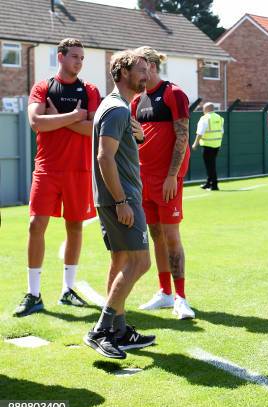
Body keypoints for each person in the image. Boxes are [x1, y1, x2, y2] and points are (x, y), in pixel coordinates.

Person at [14, 38, 100, 317]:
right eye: (74, 56)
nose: (79, 61)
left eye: (82, 57)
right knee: (35, 225)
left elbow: (94, 130)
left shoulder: (90, 91)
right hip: (47, 169)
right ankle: (34, 294)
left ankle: (67, 290)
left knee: (74, 228)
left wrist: (61, 118)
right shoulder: (42, 87)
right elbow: (36, 123)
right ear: (60, 57)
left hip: (79, 170)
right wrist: (75, 117)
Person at [84, 50, 155, 359]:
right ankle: (101, 329)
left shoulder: (114, 107)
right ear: (123, 72)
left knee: (121, 260)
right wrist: (122, 201)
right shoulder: (117, 110)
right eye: (141, 69)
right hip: (121, 198)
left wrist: (134, 137)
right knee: (140, 263)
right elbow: (104, 157)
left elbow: (113, 149)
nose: (147, 75)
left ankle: (120, 330)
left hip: (113, 197)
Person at [131, 46, 194, 320]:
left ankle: (181, 297)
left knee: (171, 237)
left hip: (168, 180)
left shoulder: (174, 93)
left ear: (153, 67)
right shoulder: (136, 100)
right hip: (144, 179)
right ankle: (164, 292)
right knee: (155, 235)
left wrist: (172, 176)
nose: (137, 74)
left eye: (141, 68)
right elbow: (136, 141)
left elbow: (182, 137)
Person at [192, 102, 224, 190]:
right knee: (211, 165)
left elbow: (200, 133)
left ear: (206, 109)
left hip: (207, 145)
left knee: (210, 166)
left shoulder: (204, 118)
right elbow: (221, 132)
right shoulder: (219, 118)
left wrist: (195, 143)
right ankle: (208, 183)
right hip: (216, 145)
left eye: (203, 108)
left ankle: (214, 185)